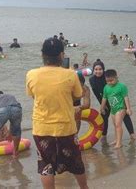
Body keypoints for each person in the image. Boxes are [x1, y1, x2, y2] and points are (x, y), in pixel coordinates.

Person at [25, 37, 88, 188]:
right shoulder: (71, 74)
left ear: (42, 55)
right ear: (62, 55)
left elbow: (33, 95)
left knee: (46, 166)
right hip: (65, 127)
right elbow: (77, 95)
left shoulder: (31, 74)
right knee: (76, 162)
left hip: (42, 128)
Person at [89, 60, 136, 141]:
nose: (98, 71)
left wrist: (126, 106)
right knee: (104, 117)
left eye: (100, 69)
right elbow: (97, 94)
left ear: (103, 69)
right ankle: (104, 135)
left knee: (125, 116)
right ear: (93, 70)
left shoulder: (107, 76)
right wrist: (102, 106)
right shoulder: (92, 80)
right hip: (104, 100)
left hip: (117, 99)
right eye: (96, 69)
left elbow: (117, 87)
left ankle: (132, 134)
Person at [100, 69, 136, 148]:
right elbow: (104, 98)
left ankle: (119, 143)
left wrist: (128, 108)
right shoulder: (106, 87)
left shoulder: (121, 86)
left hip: (121, 108)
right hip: (113, 109)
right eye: (107, 81)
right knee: (115, 125)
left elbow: (126, 97)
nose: (110, 83)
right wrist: (102, 108)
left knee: (118, 125)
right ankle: (116, 139)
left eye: (111, 80)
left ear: (116, 77)